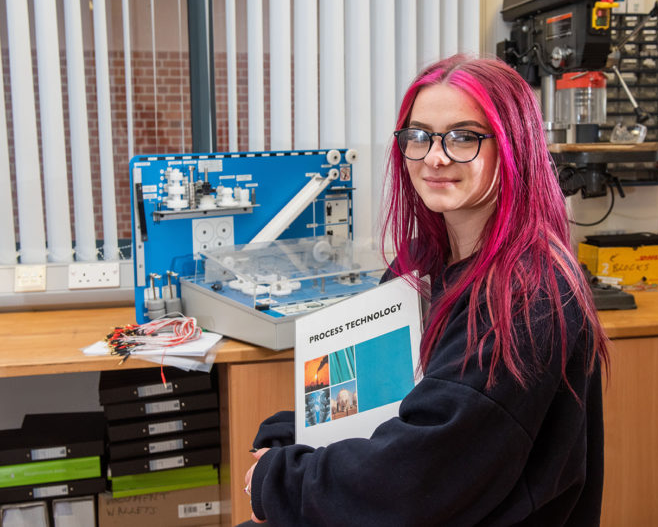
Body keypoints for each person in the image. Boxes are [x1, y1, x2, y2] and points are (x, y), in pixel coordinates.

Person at [240, 54, 609, 526]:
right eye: (419, 136)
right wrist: (292, 434)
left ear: (514, 147)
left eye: (463, 137)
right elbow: (374, 400)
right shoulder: (420, 264)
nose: (435, 157)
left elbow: (417, 480)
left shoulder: (526, 294)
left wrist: (281, 479)